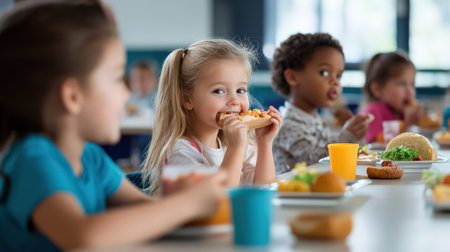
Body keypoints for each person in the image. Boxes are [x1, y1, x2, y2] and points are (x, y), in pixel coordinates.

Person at [0, 1, 226, 251]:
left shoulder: (90, 158)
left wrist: (191, 203)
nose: (127, 91)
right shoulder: (32, 159)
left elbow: (147, 214)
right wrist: (188, 204)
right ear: (73, 96)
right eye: (119, 78)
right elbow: (81, 236)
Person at [141, 39, 283, 196]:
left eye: (241, 90)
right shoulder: (181, 152)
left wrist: (264, 143)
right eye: (219, 91)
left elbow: (263, 193)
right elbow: (219, 202)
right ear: (188, 99)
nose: (235, 101)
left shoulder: (234, 142)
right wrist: (236, 148)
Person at [271, 32, 370, 173]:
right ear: (293, 77)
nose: (335, 81)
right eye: (324, 72)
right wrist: (348, 135)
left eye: (338, 75)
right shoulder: (285, 124)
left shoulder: (316, 120)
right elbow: (316, 161)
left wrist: (356, 136)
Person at [360, 51, 424, 143]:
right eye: (402, 84)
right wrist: (408, 124)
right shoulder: (372, 112)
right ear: (377, 89)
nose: (410, 91)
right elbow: (374, 146)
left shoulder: (401, 112)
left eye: (412, 84)